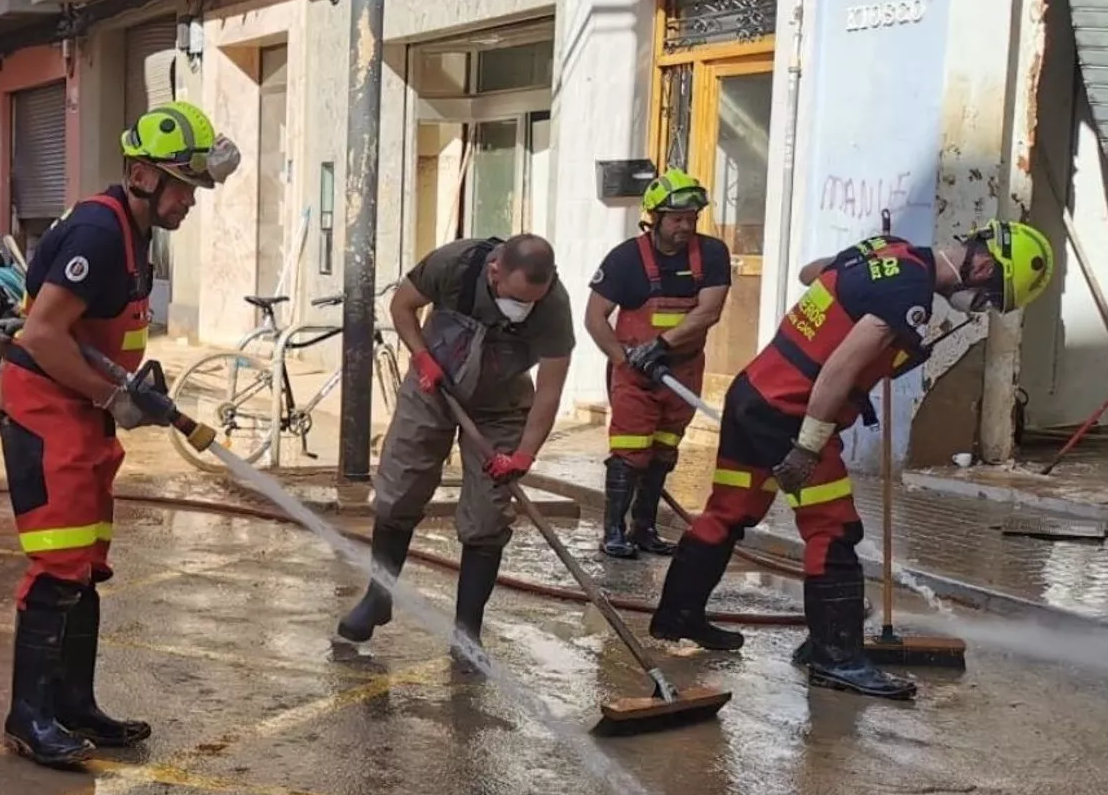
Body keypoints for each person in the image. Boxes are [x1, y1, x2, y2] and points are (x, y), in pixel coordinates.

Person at [650, 219, 1057, 700]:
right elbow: (838, 369)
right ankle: (834, 657)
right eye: (992, 295)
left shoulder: (888, 250)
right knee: (832, 528)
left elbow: (811, 274)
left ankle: (678, 616)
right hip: (791, 412)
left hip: (754, 392)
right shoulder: (910, 290)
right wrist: (807, 446)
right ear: (984, 264)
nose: (984, 306)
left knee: (728, 511)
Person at [0, 100, 239, 768]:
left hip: (86, 410)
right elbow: (42, 333)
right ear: (142, 174)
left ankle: (73, 704)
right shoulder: (100, 234)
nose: (190, 201)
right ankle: (29, 715)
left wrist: (132, 385)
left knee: (86, 565)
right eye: (183, 185)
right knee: (56, 562)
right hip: (48, 408)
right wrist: (111, 393)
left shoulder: (136, 235)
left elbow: (108, 332)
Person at [336, 233, 574, 663]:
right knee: (399, 492)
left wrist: (524, 455)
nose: (521, 310)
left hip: (501, 405)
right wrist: (421, 355)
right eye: (515, 299)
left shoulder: (554, 305)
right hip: (434, 385)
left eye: (530, 303)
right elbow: (402, 307)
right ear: (495, 270)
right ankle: (378, 595)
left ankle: (467, 635)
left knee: (487, 515)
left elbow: (550, 390)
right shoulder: (456, 263)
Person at [583, 170, 731, 559]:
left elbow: (709, 311)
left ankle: (644, 528)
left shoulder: (712, 255)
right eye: (677, 219)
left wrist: (661, 345)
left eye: (692, 219)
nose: (686, 227)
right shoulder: (625, 260)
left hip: (682, 370)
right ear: (655, 217)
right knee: (631, 452)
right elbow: (595, 317)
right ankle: (614, 530)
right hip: (635, 375)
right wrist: (623, 360)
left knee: (664, 452)